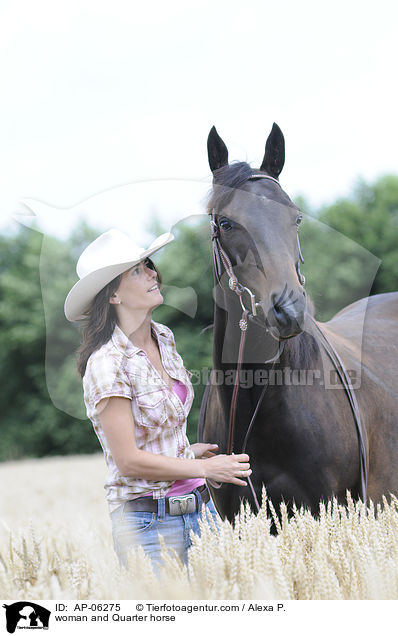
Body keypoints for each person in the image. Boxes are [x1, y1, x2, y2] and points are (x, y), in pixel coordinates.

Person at [64, 228, 251, 572]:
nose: (152, 272)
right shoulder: (106, 364)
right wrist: (206, 468)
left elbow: (156, 432)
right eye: (136, 270)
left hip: (202, 509)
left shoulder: (164, 337)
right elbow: (128, 461)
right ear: (114, 297)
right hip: (148, 525)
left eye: (148, 264)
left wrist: (186, 451)